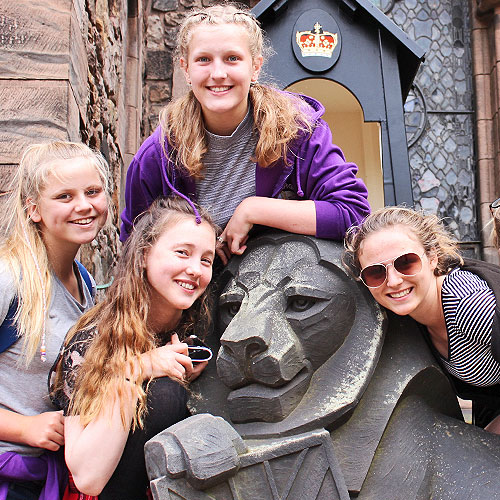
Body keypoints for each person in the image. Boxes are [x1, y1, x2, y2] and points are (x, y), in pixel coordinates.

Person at [120, 3, 370, 264]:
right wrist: (196, 241)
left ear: (255, 67)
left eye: (232, 58)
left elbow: (352, 213)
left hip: (286, 286)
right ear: (186, 69)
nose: (218, 73)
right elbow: (135, 246)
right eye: (203, 59)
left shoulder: (298, 130)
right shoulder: (159, 154)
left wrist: (254, 210)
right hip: (194, 293)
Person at [50, 196, 218, 500]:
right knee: (165, 395)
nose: (195, 269)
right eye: (182, 253)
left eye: (206, 260)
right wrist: (136, 370)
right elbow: (88, 477)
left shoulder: (199, 333)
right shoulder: (95, 340)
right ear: (143, 255)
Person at [0, 141, 110, 499]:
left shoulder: (87, 286)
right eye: (64, 196)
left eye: (92, 191)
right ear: (34, 209)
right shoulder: (9, 279)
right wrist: (21, 427)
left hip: (43, 479)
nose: (83, 205)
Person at [343, 206, 500, 434]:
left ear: (432, 257)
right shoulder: (407, 314)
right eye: (376, 273)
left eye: (406, 262)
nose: (394, 281)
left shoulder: (468, 304)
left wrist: (487, 439)